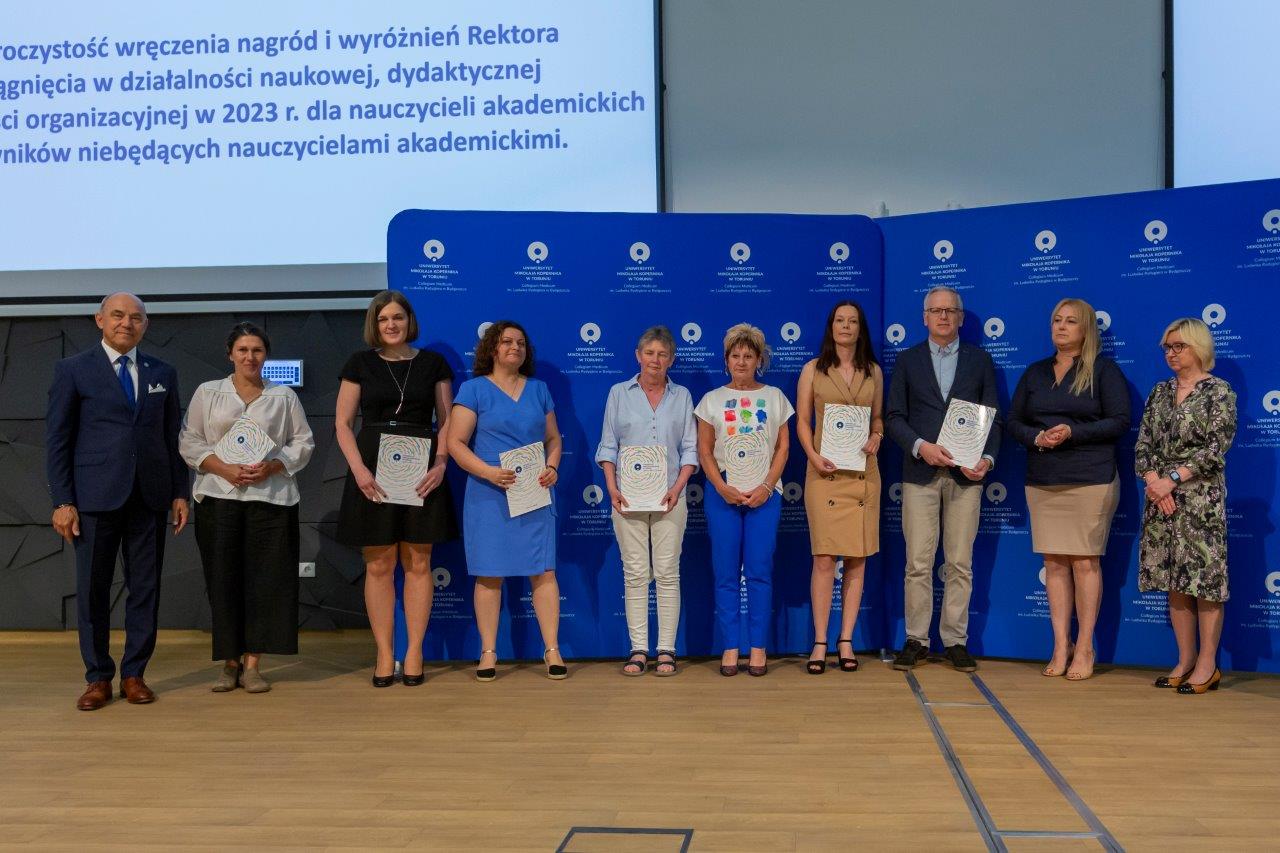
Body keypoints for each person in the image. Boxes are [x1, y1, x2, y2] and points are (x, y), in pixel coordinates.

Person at [46, 292, 190, 711]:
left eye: (136, 317)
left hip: (149, 496)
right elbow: (58, 440)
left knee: (145, 588)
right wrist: (62, 500)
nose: (127, 323)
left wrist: (179, 492)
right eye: (118, 315)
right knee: (93, 591)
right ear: (100, 320)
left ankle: (134, 674)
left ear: (146, 325)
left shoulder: (162, 372)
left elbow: (172, 438)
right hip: (93, 499)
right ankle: (97, 677)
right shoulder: (72, 370)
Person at [179, 323, 315, 693]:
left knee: (266, 583)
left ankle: (253, 665)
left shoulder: (283, 396)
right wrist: (222, 468)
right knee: (223, 581)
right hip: (219, 498)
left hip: (271, 502)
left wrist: (273, 466)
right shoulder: (208, 392)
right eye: (242, 350)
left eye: (257, 350)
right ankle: (229, 663)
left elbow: (303, 442)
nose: (250, 357)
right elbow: (190, 440)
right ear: (230, 354)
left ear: (265, 355)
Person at [336, 291, 457, 687]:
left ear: (409, 321)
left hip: (423, 470)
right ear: (375, 324)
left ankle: (415, 651)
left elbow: (447, 421)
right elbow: (342, 424)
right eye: (383, 318)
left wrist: (441, 464)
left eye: (398, 317)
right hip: (372, 470)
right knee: (379, 565)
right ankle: (385, 653)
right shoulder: (359, 363)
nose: (391, 324)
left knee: (419, 563)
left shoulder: (433, 364)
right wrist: (359, 470)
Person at [1007, 299, 1130, 681]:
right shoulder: (1035, 372)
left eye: (1070, 321)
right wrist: (1036, 437)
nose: (1061, 326)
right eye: (1056, 320)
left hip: (1091, 478)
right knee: (1054, 563)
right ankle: (1062, 645)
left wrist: (1073, 431)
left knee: (1084, 562)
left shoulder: (1103, 371)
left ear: (1086, 328)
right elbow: (1013, 421)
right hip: (1043, 478)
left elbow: (1120, 420)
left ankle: (1086, 646)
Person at [886, 285, 1000, 672]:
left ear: (961, 318)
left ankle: (955, 640)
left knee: (960, 563)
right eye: (936, 310)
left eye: (950, 310)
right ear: (925, 318)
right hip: (920, 473)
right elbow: (894, 418)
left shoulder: (980, 360)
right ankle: (916, 640)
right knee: (918, 562)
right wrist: (921, 447)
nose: (943, 316)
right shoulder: (907, 360)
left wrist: (986, 459)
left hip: (966, 477)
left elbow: (993, 418)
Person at [447, 321, 567, 681]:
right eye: (506, 342)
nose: (515, 347)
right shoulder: (473, 390)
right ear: (492, 348)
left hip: (534, 492)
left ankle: (552, 649)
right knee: (489, 574)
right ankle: (488, 652)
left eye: (520, 343)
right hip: (489, 495)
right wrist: (487, 473)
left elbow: (554, 439)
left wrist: (552, 467)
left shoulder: (539, 389)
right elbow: (455, 443)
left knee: (544, 572)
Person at [1135, 318, 1236, 695]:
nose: (1171, 353)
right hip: (1160, 500)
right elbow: (1143, 444)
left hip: (1200, 501)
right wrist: (1154, 482)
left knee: (1204, 581)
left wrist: (1172, 479)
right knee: (1174, 579)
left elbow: (1215, 449)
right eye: (1167, 347)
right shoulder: (1160, 391)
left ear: (1199, 347)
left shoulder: (1218, 391)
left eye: (1179, 346)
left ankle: (1208, 665)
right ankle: (1185, 659)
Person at [596, 326, 698, 677]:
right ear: (638, 356)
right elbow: (608, 446)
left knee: (668, 573)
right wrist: (612, 489)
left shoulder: (682, 396)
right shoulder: (618, 393)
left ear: (671, 359)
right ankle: (638, 649)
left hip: (671, 496)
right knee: (636, 573)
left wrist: (678, 487)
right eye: (650, 353)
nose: (656, 360)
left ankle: (667, 649)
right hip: (627, 497)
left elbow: (690, 449)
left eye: (663, 354)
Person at [694, 323, 794, 677]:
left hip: (765, 496)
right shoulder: (711, 401)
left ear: (759, 360)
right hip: (723, 496)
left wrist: (766, 486)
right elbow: (705, 451)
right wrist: (721, 487)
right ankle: (730, 647)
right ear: (726, 360)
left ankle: (758, 648)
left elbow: (783, 448)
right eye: (735, 356)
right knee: (725, 573)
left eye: (748, 356)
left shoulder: (776, 397)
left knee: (759, 571)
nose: (741, 361)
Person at [795, 301, 883, 674]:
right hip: (824, 474)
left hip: (863, 475)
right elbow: (802, 421)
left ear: (860, 329)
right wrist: (813, 456)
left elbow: (877, 418)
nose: (845, 326)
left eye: (852, 321)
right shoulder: (813, 369)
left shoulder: (873, 371)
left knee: (857, 558)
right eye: (839, 320)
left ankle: (845, 640)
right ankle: (820, 641)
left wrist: (877, 436)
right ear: (831, 327)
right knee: (824, 559)